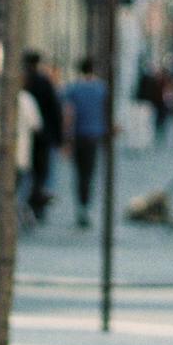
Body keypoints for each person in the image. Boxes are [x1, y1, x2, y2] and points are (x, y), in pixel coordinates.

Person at [63, 57, 109, 228]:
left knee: (79, 173)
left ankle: (81, 206)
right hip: (94, 135)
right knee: (89, 173)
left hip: (77, 135)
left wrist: (66, 139)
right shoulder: (101, 88)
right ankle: (85, 206)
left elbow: (68, 114)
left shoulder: (73, 88)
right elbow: (106, 111)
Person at [23, 51, 63, 221]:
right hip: (42, 136)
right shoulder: (42, 82)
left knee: (26, 173)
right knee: (41, 173)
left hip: (26, 136)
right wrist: (58, 136)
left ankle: (29, 204)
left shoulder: (22, 81)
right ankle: (35, 205)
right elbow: (55, 110)